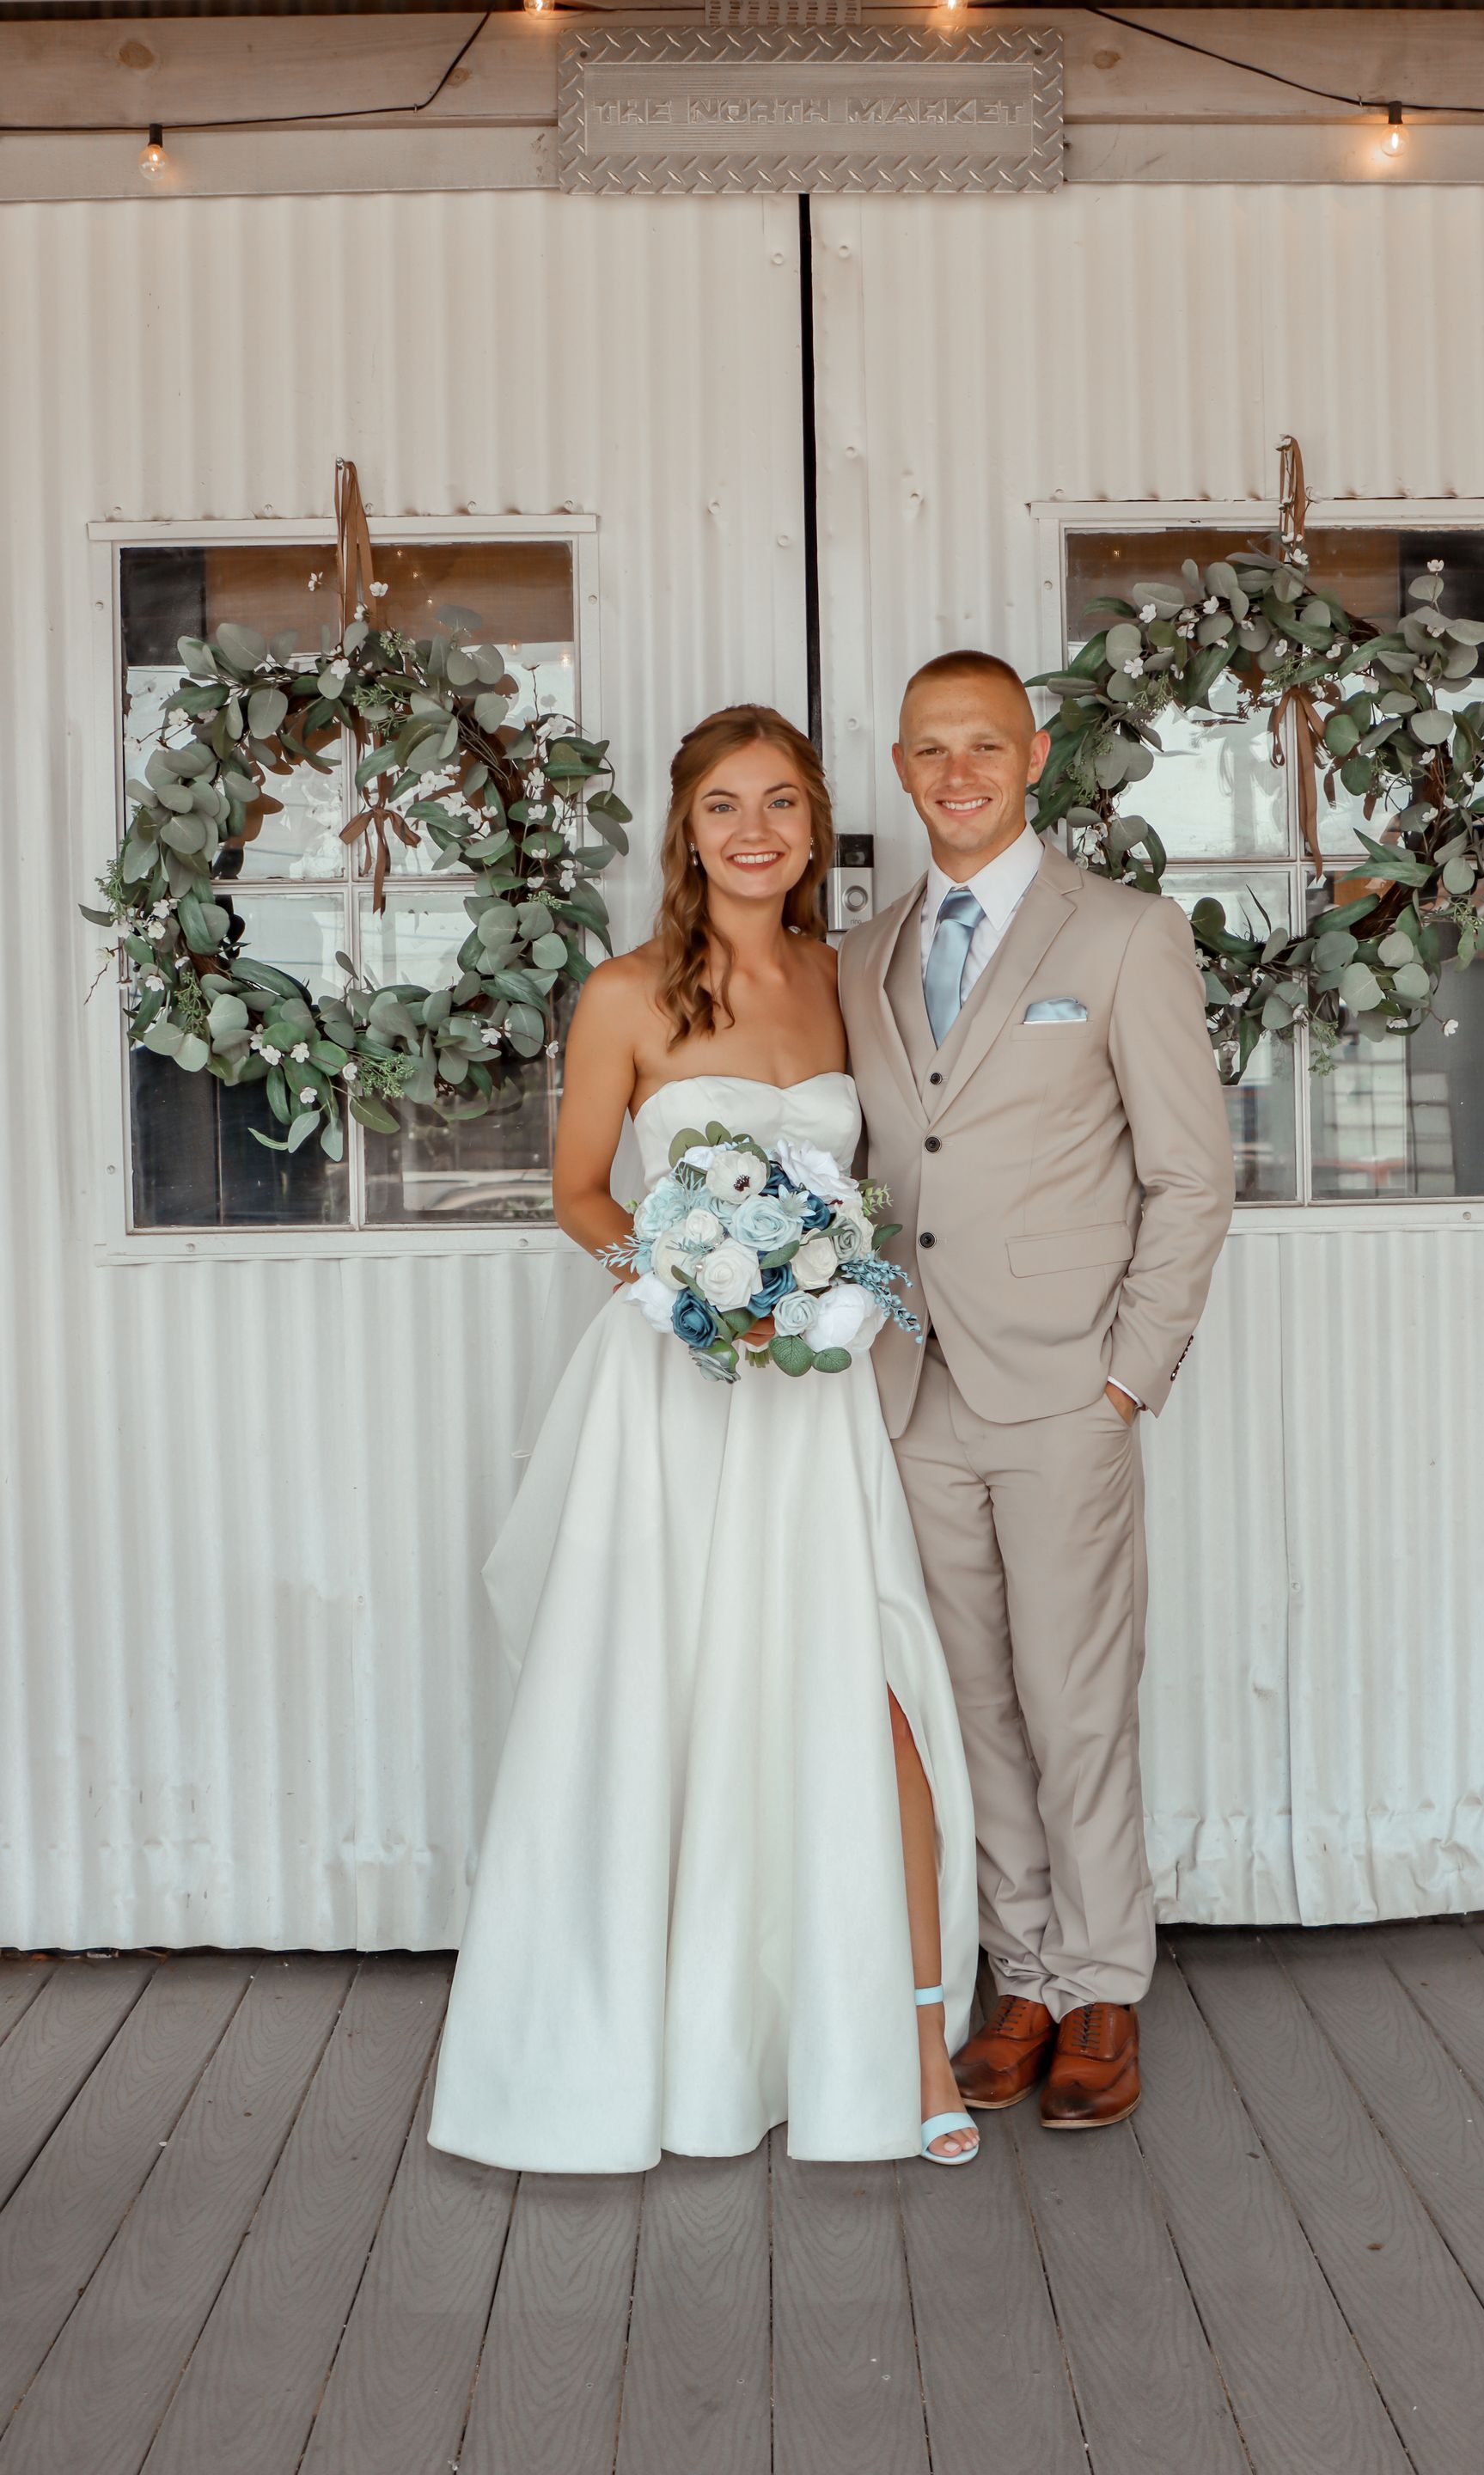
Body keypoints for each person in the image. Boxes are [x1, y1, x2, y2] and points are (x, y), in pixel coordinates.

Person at [427, 705, 980, 2174]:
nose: (755, 829)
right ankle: (650, 2048)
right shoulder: (621, 995)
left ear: (812, 830)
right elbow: (582, 1198)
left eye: (784, 804)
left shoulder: (843, 980)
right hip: (676, 1393)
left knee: (862, 1695)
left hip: (813, 1405)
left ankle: (910, 2041)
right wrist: (691, 1292)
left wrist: (810, 1292)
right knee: (661, 1704)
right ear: (686, 828)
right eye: (726, 804)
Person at [838, 651, 1235, 2130]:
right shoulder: (866, 953)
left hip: (1070, 1386)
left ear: (1036, 753)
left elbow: (1190, 1173)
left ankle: (1108, 1988)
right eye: (932, 749)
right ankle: (1026, 1976)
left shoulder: (1124, 937)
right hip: (913, 1384)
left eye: (985, 745)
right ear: (901, 763)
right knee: (978, 1699)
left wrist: (1132, 1375)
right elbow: (887, 1170)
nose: (959, 772)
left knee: (1078, 1696)